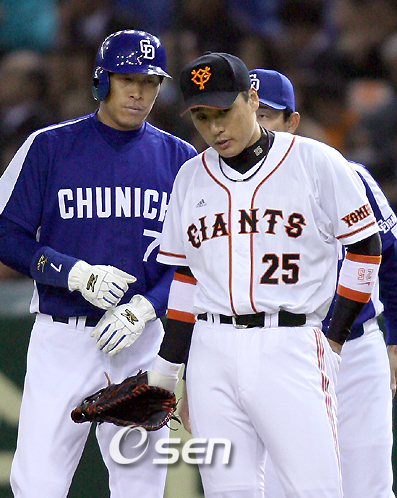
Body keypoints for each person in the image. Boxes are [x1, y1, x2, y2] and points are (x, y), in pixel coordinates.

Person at [146, 51, 382, 497]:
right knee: (226, 491)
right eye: (201, 116)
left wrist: (334, 336)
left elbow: (366, 249)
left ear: (252, 100)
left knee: (313, 490)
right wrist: (167, 366)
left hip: (288, 342)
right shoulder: (190, 177)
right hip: (211, 350)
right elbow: (186, 279)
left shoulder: (314, 160)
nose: (215, 128)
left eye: (224, 111)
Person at [0, 29, 197, 498]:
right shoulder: (48, 146)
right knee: (36, 485)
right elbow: (10, 241)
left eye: (150, 82)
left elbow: (193, 263)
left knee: (141, 487)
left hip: (142, 342)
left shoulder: (182, 160)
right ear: (102, 81)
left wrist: (146, 308)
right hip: (64, 336)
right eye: (128, 80)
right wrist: (74, 273)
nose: (139, 92)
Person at [249, 68, 397, 498]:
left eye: (266, 116)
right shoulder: (222, 191)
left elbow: (391, 259)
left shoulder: (346, 174)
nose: (255, 127)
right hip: (279, 349)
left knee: (368, 486)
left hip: (355, 349)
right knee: (284, 488)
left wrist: (394, 340)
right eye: (247, 113)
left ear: (291, 122)